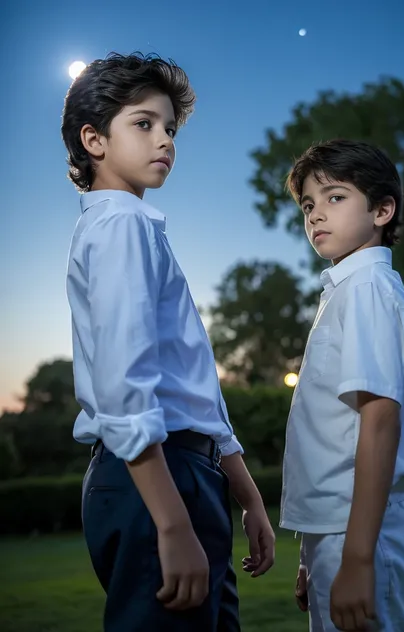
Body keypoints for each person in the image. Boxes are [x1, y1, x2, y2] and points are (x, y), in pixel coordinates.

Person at [61, 52, 275, 632]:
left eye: (170, 128)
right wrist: (172, 524)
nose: (165, 141)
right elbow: (124, 386)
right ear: (94, 140)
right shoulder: (119, 226)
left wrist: (246, 494)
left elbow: (192, 386)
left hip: (186, 475)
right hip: (157, 481)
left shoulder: (133, 227)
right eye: (144, 123)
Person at [280, 139, 404, 632]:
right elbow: (330, 436)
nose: (316, 215)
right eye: (308, 204)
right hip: (339, 531)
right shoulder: (345, 291)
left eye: (335, 197)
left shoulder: (368, 290)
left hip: (368, 529)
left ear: (382, 210)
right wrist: (313, 552)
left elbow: (380, 419)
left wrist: (359, 558)